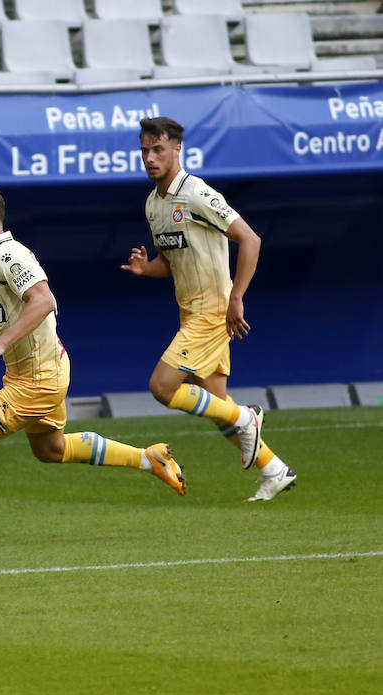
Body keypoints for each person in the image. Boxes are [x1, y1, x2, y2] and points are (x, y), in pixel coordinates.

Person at [0, 187, 187, 539]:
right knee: (52, 449)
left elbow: (44, 300)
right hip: (41, 371)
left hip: (37, 380)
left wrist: (0, 342)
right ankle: (149, 458)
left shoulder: (10, 256)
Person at [122, 116, 296, 502]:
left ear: (177, 149)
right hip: (190, 310)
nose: (150, 158)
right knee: (218, 406)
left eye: (158, 150)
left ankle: (246, 418)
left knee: (162, 387)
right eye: (145, 151)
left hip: (213, 310)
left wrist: (237, 299)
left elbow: (250, 239)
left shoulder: (196, 193)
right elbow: (168, 262)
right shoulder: (154, 204)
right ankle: (275, 470)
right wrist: (144, 268)